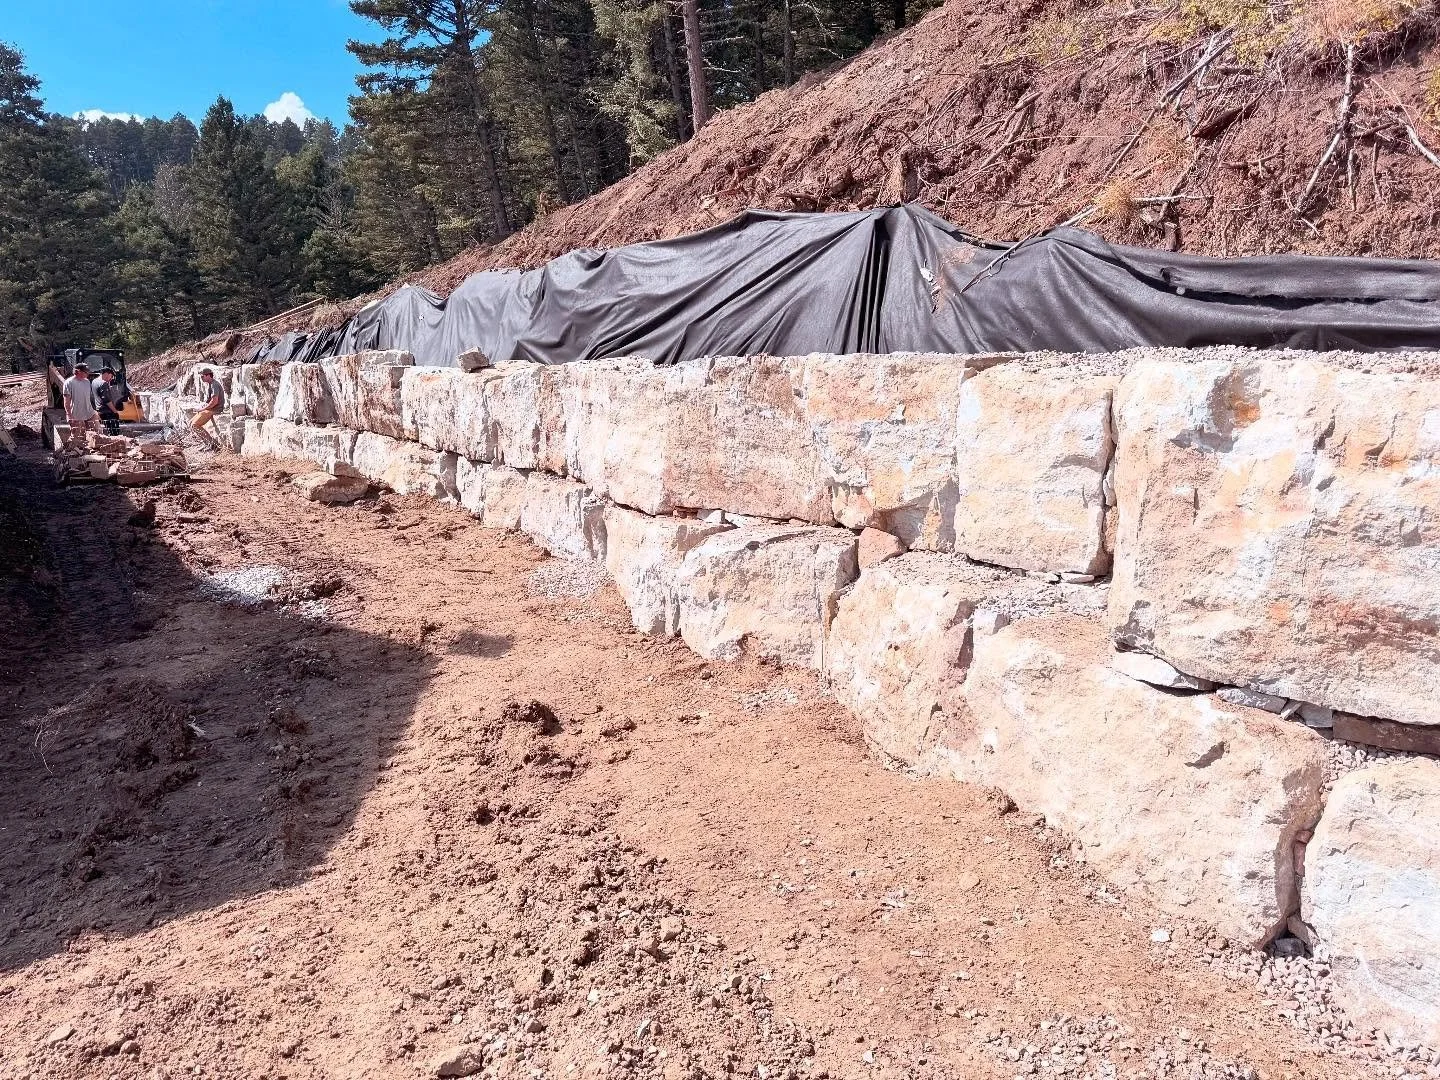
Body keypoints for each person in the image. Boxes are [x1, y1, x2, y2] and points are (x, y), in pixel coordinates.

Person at [62, 361, 100, 440]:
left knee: (97, 433)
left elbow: (89, 397)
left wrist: (95, 409)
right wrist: (69, 415)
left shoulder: (87, 382)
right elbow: (66, 401)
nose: (87, 374)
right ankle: (73, 451)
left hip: (89, 413)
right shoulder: (69, 383)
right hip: (76, 415)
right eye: (86, 372)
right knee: (77, 437)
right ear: (78, 371)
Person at [190, 367, 226, 449]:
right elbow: (209, 400)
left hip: (215, 409)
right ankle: (206, 443)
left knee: (195, 425)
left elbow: (214, 401)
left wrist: (203, 409)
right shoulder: (210, 384)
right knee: (190, 423)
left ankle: (211, 444)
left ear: (208, 375)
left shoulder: (215, 385)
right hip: (210, 409)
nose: (201, 378)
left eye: (202, 376)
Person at [96, 368, 129, 435]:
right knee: (114, 432)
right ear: (107, 374)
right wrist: (115, 411)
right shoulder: (103, 383)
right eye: (111, 376)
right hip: (107, 412)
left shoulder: (95, 381)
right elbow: (107, 400)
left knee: (109, 431)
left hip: (100, 410)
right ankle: (115, 443)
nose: (111, 379)